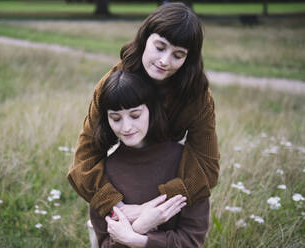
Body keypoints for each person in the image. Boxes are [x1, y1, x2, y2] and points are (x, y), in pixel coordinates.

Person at [67, 2, 219, 218]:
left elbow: (207, 167)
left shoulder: (197, 96)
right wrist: (116, 207)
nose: (164, 61)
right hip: (120, 186)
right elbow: (84, 161)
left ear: (189, 59)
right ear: (145, 38)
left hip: (168, 189)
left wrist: (156, 207)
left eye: (178, 55)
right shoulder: (112, 84)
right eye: (160, 47)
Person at [89, 70, 210, 247]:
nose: (126, 127)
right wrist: (141, 226)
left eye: (135, 115)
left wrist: (136, 238)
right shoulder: (103, 173)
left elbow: (192, 241)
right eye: (115, 118)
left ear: (151, 109)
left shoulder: (186, 162)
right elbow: (105, 244)